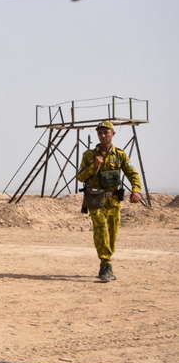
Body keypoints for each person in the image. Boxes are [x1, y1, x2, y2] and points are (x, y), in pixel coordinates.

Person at [75, 121, 143, 282]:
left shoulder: (120, 154)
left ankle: (106, 263)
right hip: (95, 199)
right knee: (101, 229)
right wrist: (94, 165)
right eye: (100, 133)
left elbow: (132, 173)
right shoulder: (89, 155)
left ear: (113, 133)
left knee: (112, 232)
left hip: (113, 200)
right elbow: (80, 177)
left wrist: (136, 190)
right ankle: (106, 263)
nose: (103, 135)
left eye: (106, 132)